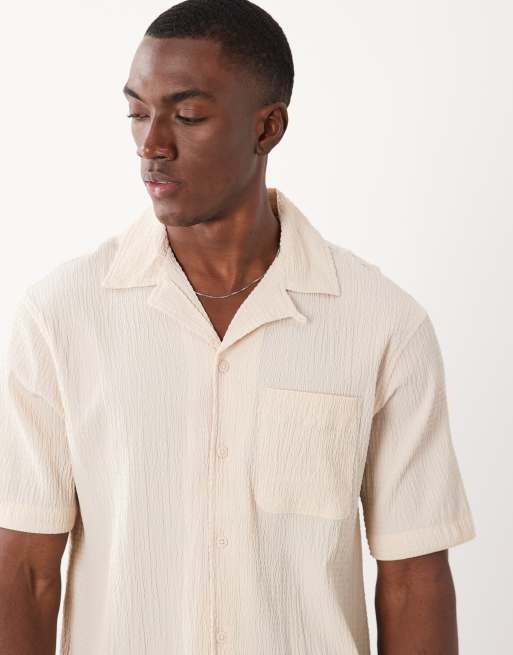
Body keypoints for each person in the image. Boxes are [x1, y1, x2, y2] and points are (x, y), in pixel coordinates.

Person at [0, 1, 476, 653]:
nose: (152, 145)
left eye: (188, 115)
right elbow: (25, 573)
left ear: (267, 128)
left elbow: (413, 581)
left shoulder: (383, 324)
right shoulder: (59, 317)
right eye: (137, 113)